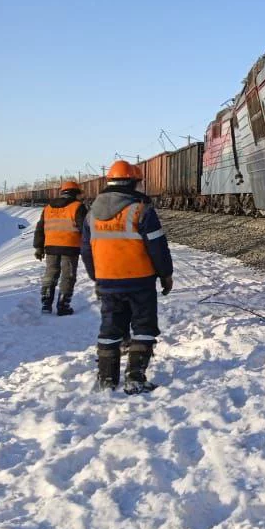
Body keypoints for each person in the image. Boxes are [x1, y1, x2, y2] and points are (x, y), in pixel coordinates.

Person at [81, 160, 174, 393]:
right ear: (133, 183)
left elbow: (85, 250)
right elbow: (157, 247)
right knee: (143, 327)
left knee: (110, 329)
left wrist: (98, 277)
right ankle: (135, 377)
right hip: (140, 282)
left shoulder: (91, 215)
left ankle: (106, 380)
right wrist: (165, 274)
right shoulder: (141, 210)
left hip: (107, 283)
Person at [33, 180, 87, 315]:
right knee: (68, 276)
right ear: (75, 193)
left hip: (51, 247)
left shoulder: (48, 208)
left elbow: (40, 229)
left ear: (62, 192)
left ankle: (46, 303)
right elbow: (85, 229)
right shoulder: (78, 207)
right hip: (70, 247)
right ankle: (63, 305)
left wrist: (39, 247)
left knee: (50, 273)